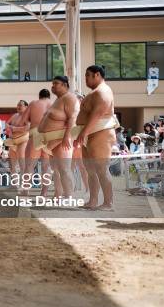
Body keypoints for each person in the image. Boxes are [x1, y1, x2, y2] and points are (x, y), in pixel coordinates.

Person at [74, 65, 119, 210]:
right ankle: (92, 201)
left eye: (88, 75)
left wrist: (84, 132)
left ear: (97, 75)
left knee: (101, 168)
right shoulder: (94, 92)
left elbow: (98, 113)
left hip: (100, 132)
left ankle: (108, 202)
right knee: (90, 169)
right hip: (89, 133)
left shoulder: (103, 91)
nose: (85, 78)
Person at [36, 76, 80, 198]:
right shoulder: (58, 100)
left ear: (65, 85)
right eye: (52, 83)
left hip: (61, 140)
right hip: (50, 142)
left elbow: (73, 118)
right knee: (56, 170)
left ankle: (68, 196)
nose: (53, 86)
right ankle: (58, 194)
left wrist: (66, 137)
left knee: (64, 169)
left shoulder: (70, 98)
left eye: (56, 83)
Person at [23, 89, 53, 195]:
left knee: (29, 165)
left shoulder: (34, 103)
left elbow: (24, 120)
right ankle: (44, 193)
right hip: (49, 136)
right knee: (46, 166)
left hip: (36, 133)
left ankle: (25, 190)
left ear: (39, 96)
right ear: (49, 96)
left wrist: (33, 120)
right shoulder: (53, 104)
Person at [4, 100, 30, 177]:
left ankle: (25, 184)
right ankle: (15, 183)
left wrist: (15, 129)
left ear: (26, 107)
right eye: (17, 105)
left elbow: (28, 127)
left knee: (22, 164)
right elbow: (7, 123)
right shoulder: (15, 115)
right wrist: (8, 127)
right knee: (12, 164)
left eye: (20, 105)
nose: (18, 107)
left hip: (23, 141)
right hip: (13, 142)